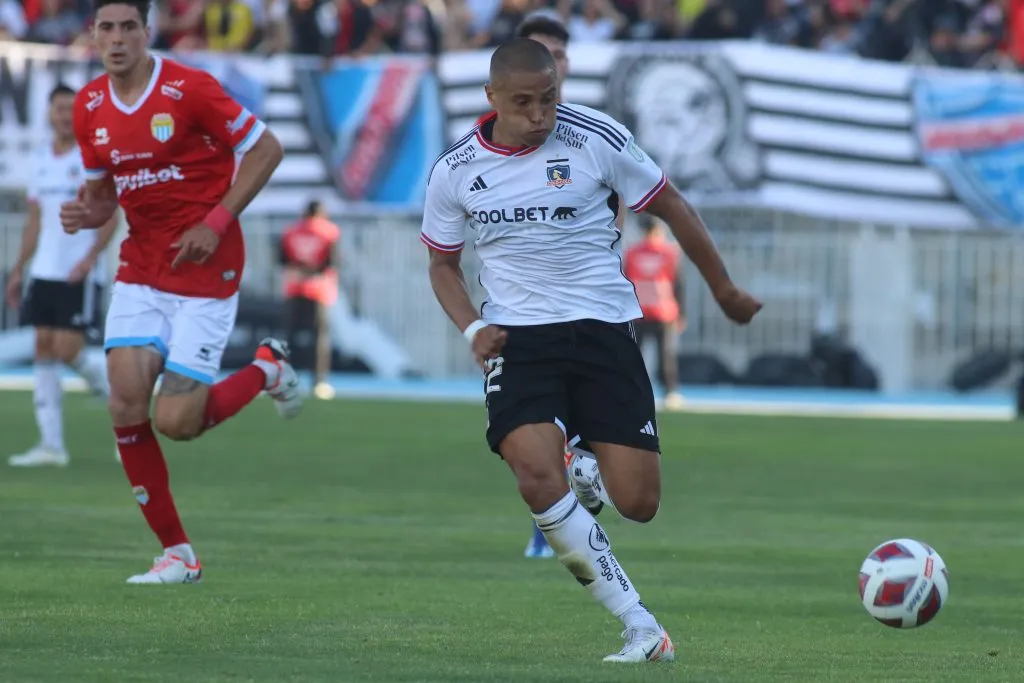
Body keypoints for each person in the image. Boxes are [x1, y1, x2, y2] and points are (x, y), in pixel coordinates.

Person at [421, 39, 761, 663]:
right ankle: (640, 626)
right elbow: (442, 266)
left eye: (549, 99)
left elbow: (673, 205)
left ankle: (586, 468)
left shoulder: (596, 138)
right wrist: (473, 329)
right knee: (532, 473)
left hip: (604, 330)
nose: (539, 114)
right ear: (491, 98)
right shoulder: (454, 169)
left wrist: (723, 288)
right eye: (523, 102)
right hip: (517, 339)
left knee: (639, 504)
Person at [59, 0, 303, 585]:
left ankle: (266, 369)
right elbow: (103, 196)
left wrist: (216, 222)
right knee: (123, 402)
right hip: (142, 266)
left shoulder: (189, 89)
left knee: (177, 422)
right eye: (106, 29)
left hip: (206, 267)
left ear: (148, 32)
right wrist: (84, 214)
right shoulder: (89, 106)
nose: (116, 39)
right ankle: (178, 555)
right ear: (93, 35)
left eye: (128, 28)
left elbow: (266, 149)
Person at [6, 84, 119, 468]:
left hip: (78, 272)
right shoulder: (39, 161)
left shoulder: (92, 160)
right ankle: (51, 445)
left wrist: (90, 260)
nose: (63, 115)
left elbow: (110, 214)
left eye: (71, 109)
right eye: (58, 108)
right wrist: (19, 268)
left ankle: (124, 406)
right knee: (43, 349)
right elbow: (35, 220)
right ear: (49, 113)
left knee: (69, 350)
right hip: (45, 270)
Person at [279, 199, 341, 401]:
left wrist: (299, 270)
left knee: (290, 335)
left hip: (294, 286)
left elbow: (281, 259)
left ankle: (284, 379)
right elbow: (332, 261)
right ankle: (320, 381)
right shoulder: (329, 231)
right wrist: (313, 271)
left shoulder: (290, 231)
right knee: (320, 337)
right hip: (318, 289)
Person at [624, 215, 686, 410]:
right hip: (660, 310)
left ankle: (635, 391)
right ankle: (669, 392)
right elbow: (678, 284)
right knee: (663, 354)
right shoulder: (669, 252)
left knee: (639, 354)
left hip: (642, 310)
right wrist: (681, 313)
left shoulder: (633, 253)